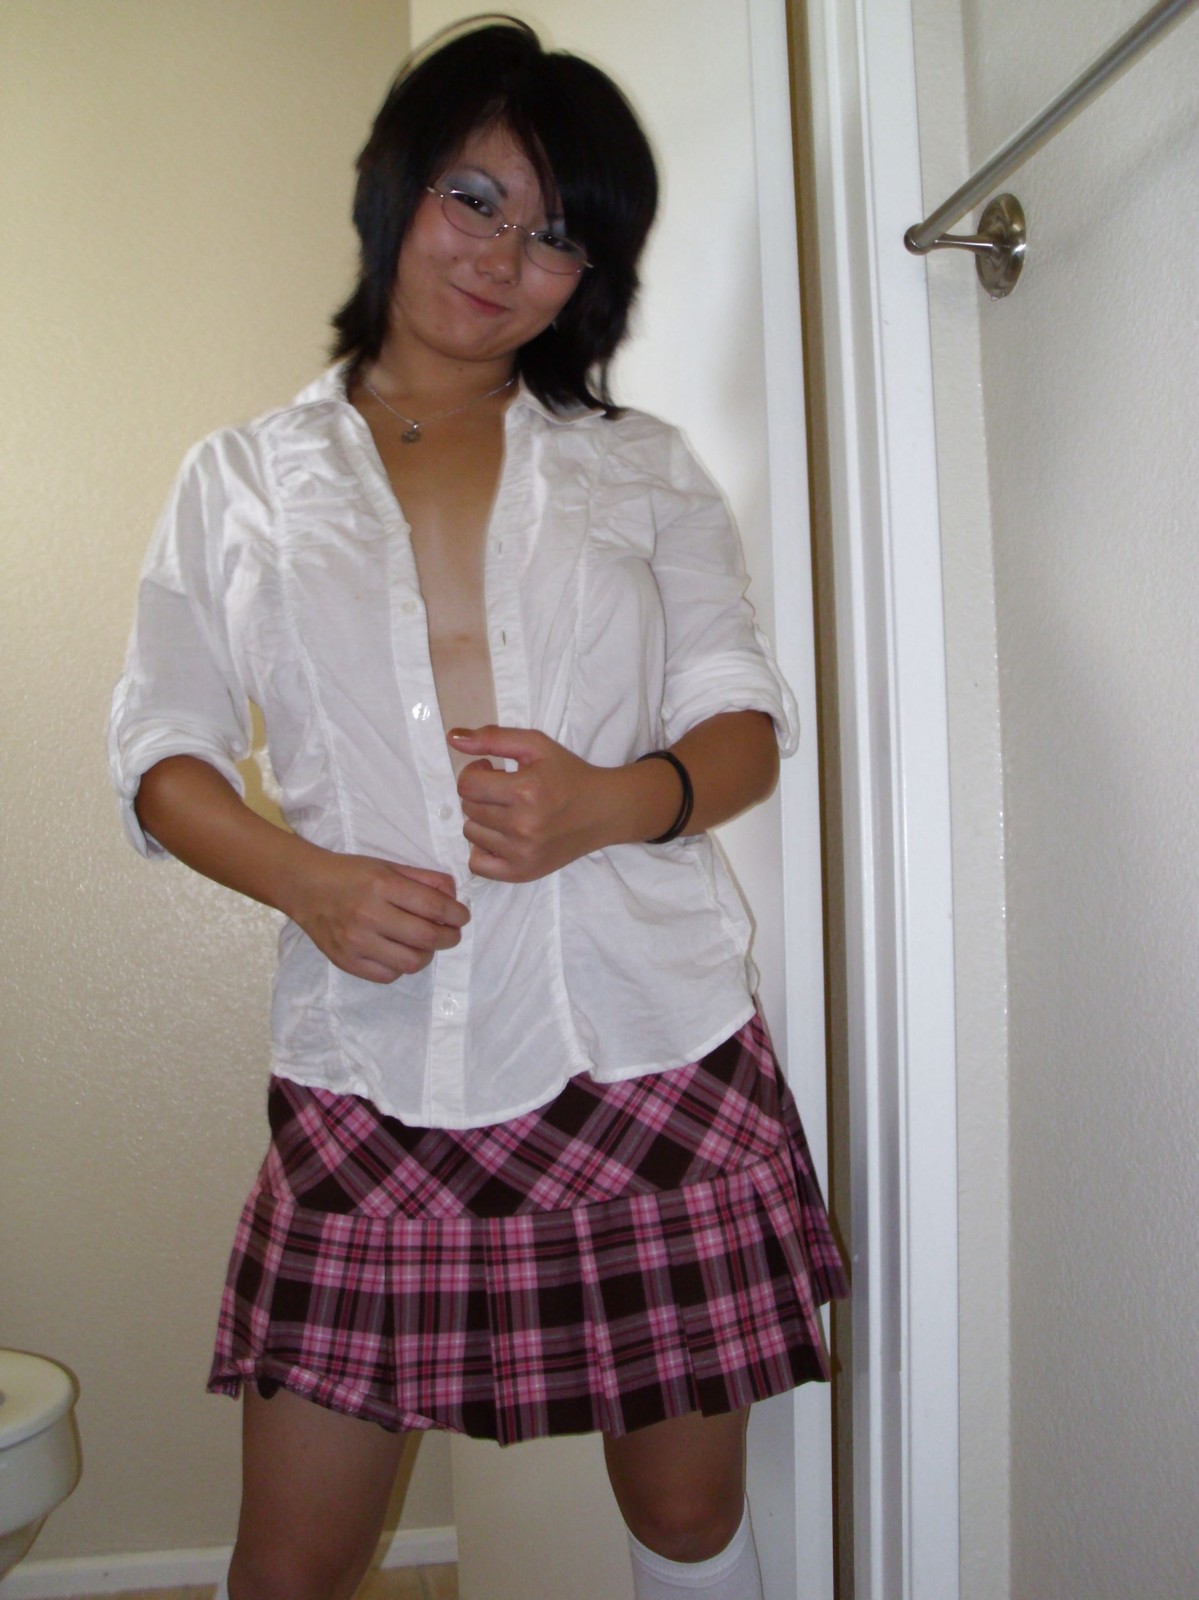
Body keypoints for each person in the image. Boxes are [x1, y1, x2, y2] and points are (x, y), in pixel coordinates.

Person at [108, 18, 846, 1600]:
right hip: (375, 1060)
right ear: (398, 188)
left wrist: (616, 802)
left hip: (646, 1043)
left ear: (590, 277)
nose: (507, 258)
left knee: (689, 1517)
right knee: (289, 1563)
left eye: (559, 234)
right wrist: (305, 880)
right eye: (477, 197)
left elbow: (742, 723)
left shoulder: (641, 468)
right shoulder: (241, 480)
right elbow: (163, 751)